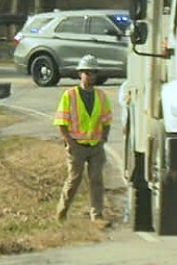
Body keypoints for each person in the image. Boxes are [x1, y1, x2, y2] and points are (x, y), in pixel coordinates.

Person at [53, 54, 113, 226]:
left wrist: (103, 138)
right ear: (80, 74)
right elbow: (61, 122)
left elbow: (106, 120)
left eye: (93, 72)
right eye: (87, 72)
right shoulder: (69, 95)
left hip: (95, 146)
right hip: (76, 146)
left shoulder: (101, 96)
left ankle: (97, 214)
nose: (91, 76)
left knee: (96, 179)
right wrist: (70, 143)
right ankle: (62, 212)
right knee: (74, 180)